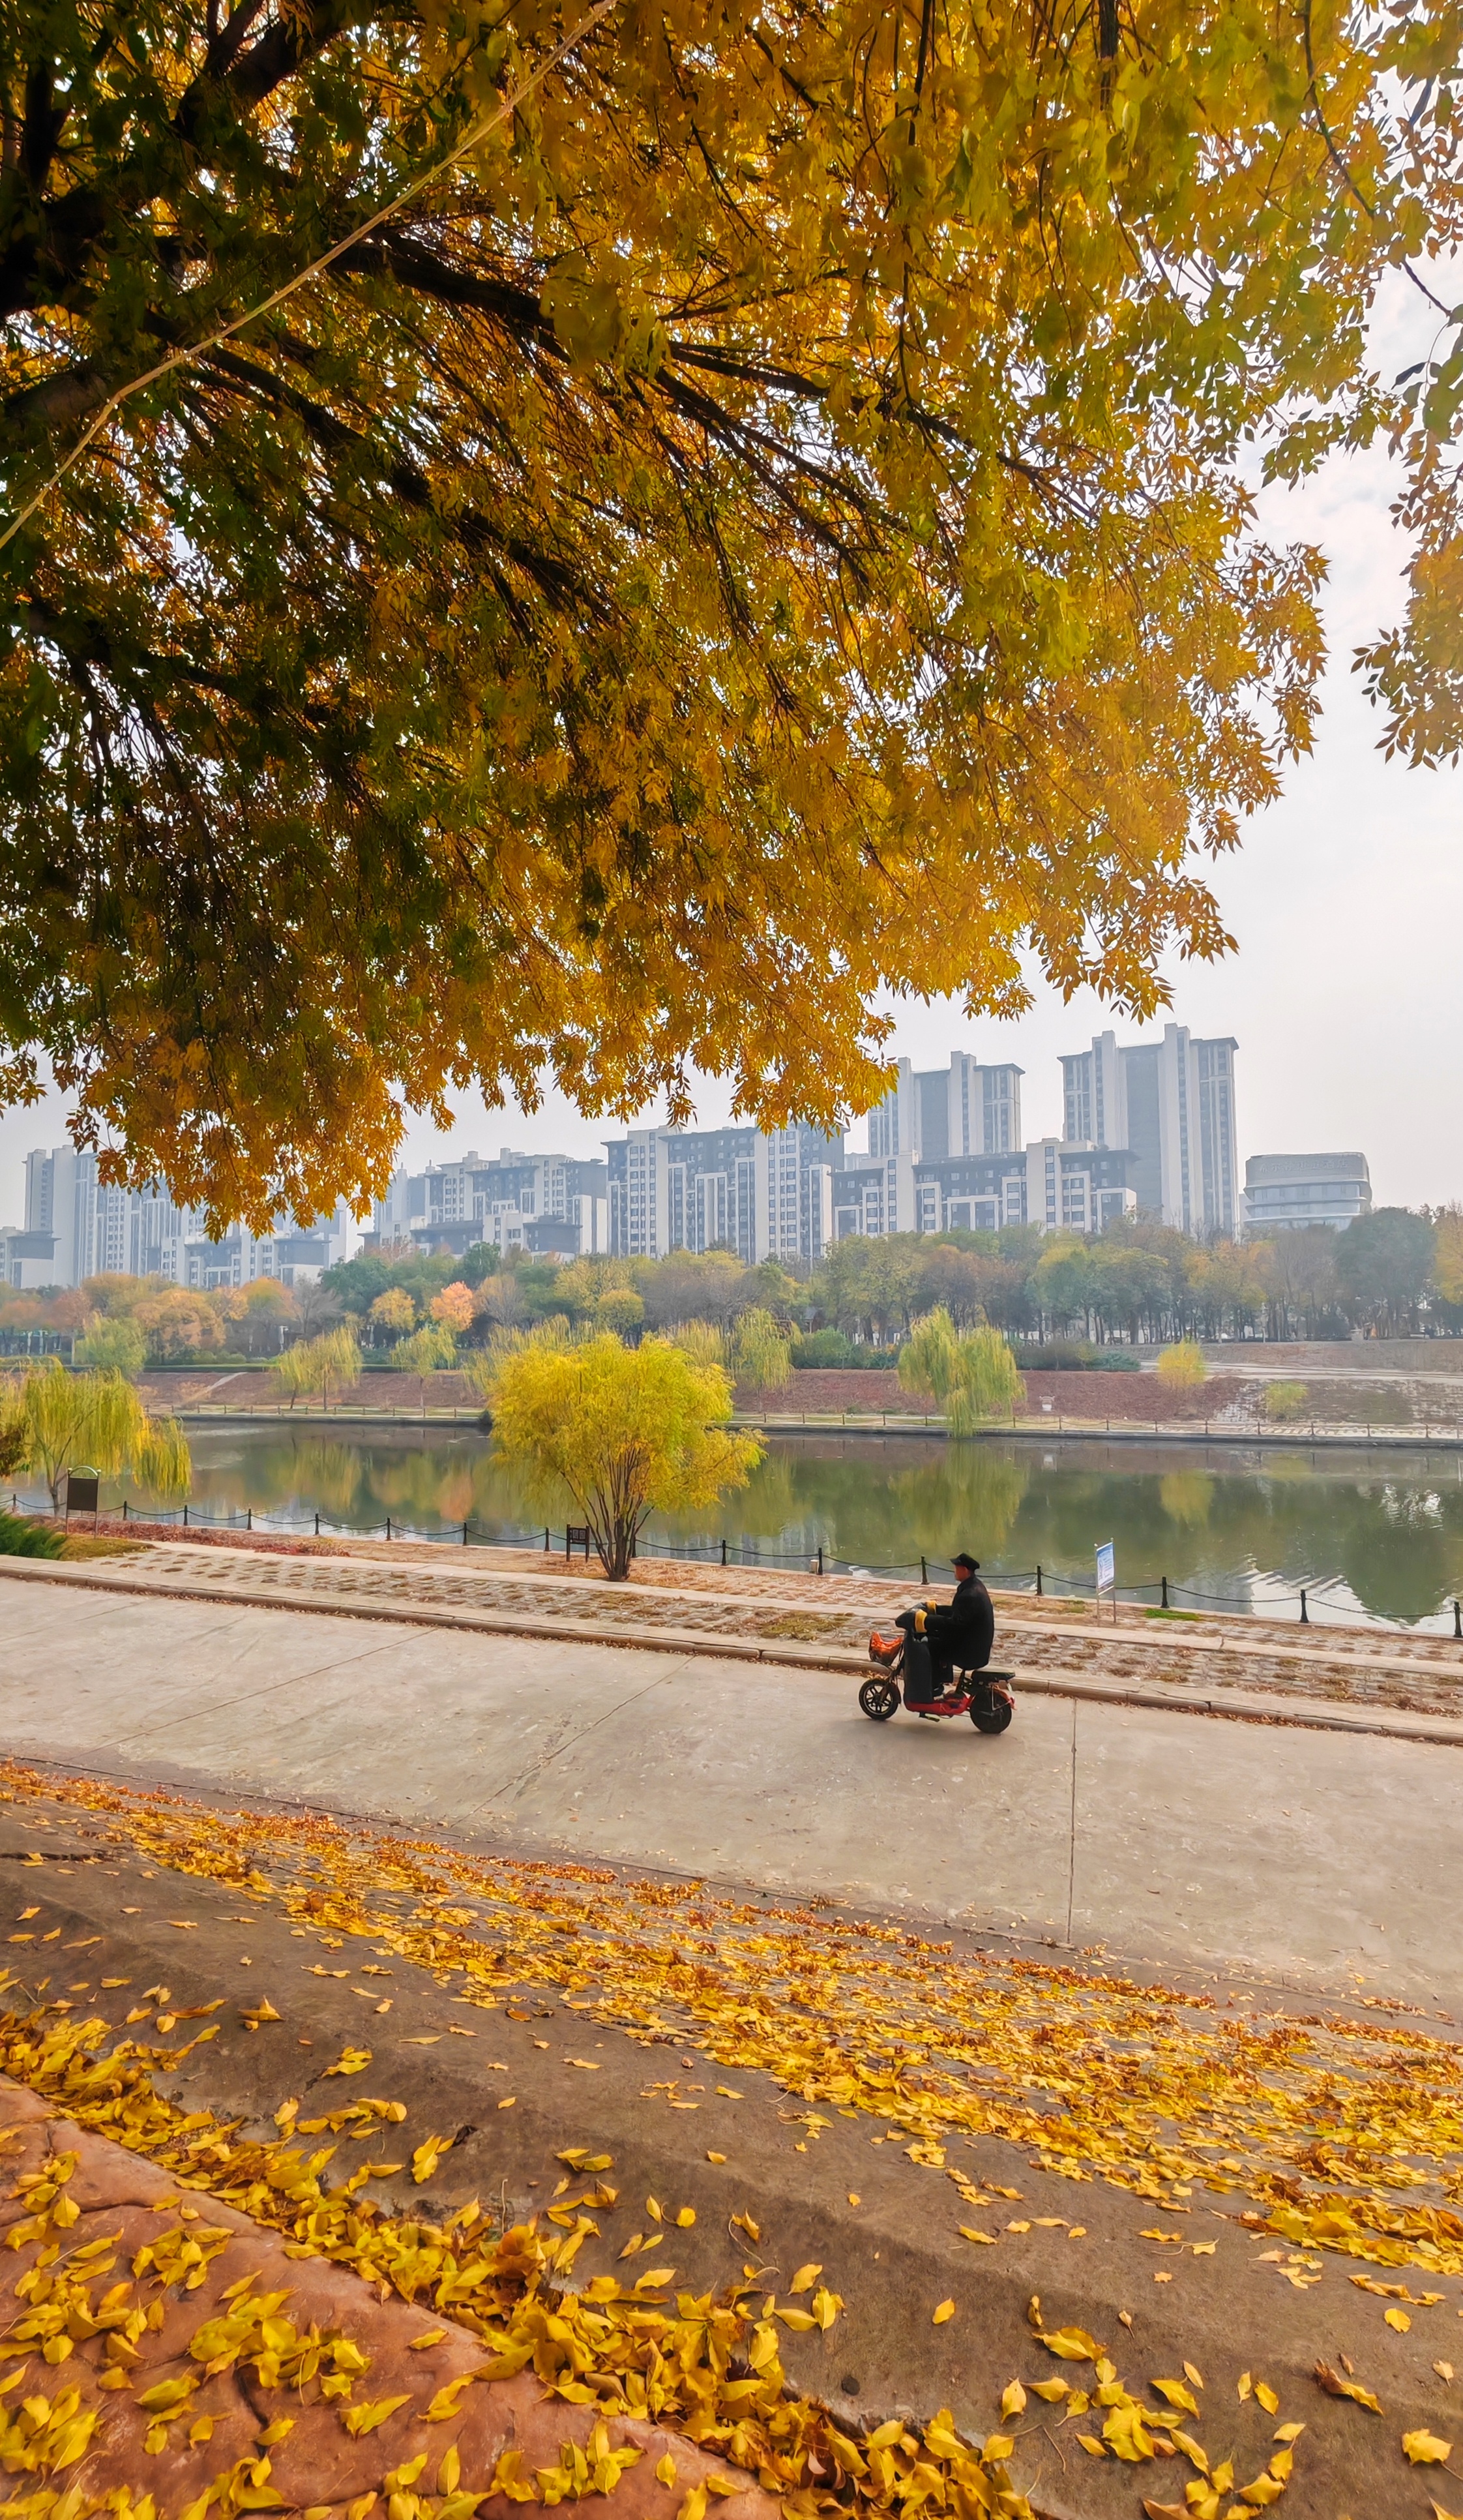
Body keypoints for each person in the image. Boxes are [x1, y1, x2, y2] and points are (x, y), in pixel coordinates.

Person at [878, 1553, 994, 1702]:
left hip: (970, 1652)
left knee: (929, 1646)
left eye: (956, 1568)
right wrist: (935, 1609)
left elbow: (955, 1624)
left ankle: (933, 1688)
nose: (954, 1571)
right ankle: (939, 1682)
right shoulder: (974, 1587)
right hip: (975, 1645)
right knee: (936, 1638)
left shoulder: (970, 1595)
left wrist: (925, 1621)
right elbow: (957, 1613)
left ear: (965, 1570)